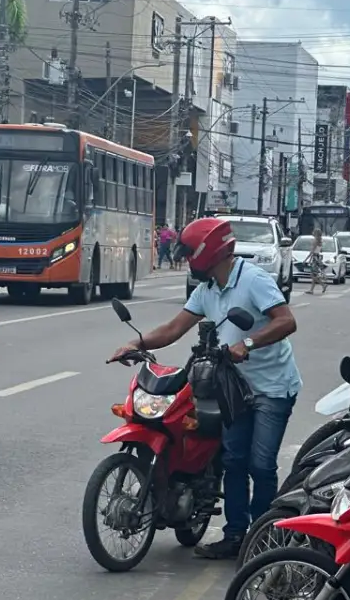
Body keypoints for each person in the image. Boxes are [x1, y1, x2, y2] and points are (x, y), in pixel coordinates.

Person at [108, 217, 301, 559]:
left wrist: (249, 344)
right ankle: (235, 536)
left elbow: (286, 320)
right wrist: (134, 343)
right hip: (234, 388)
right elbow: (174, 328)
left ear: (207, 252)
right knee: (234, 460)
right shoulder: (207, 290)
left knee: (260, 465)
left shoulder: (253, 280)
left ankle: (263, 541)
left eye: (189, 253)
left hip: (272, 388)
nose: (185, 260)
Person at [306, 226, 327, 295]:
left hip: (315, 258)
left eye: (314, 232)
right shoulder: (320, 240)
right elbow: (318, 250)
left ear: (316, 233)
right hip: (318, 257)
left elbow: (312, 251)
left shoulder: (315, 241)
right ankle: (311, 290)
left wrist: (306, 259)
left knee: (314, 275)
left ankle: (323, 285)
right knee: (314, 274)